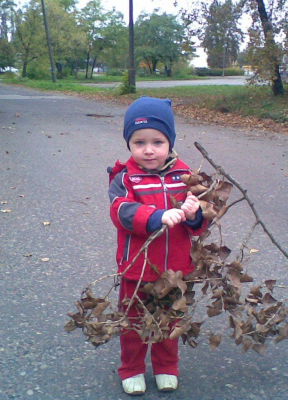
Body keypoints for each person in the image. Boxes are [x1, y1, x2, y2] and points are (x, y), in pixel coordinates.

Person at [108, 97, 207, 395]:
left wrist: (194, 215)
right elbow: (120, 212)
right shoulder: (125, 177)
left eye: (157, 141)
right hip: (136, 269)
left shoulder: (185, 176)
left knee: (170, 320)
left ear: (170, 142)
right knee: (134, 322)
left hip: (174, 269)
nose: (148, 149)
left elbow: (200, 225)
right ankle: (132, 368)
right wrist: (156, 216)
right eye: (139, 142)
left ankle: (166, 366)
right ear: (129, 144)